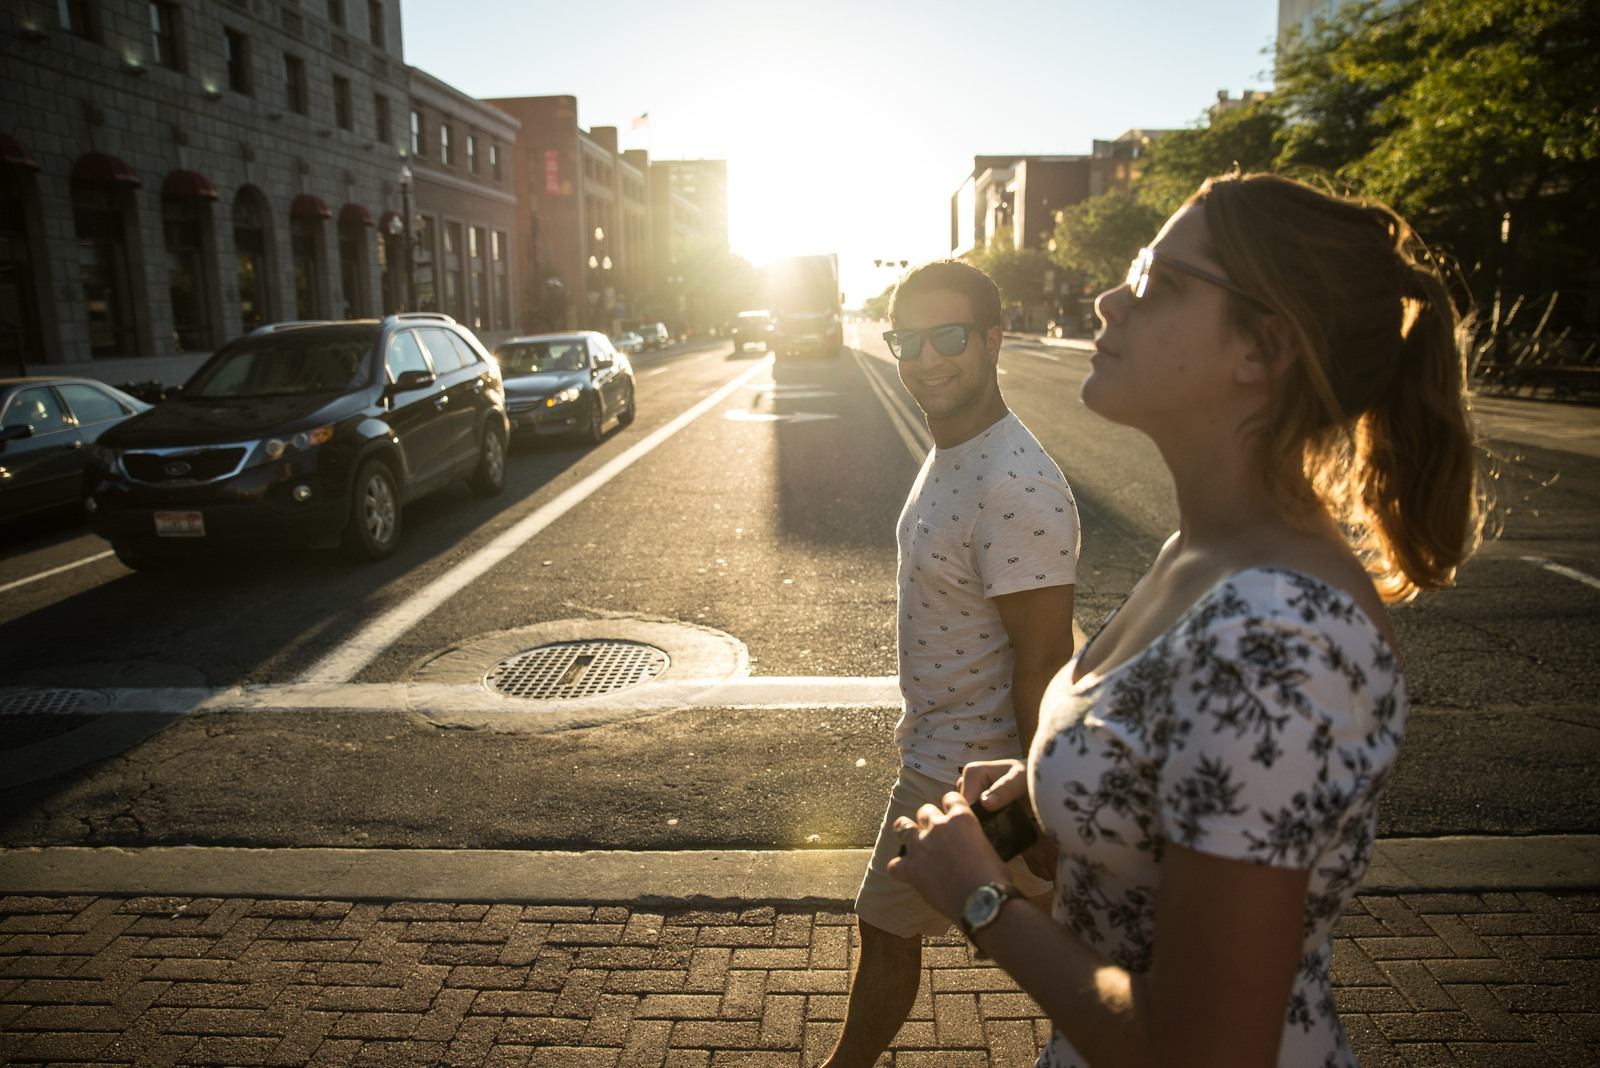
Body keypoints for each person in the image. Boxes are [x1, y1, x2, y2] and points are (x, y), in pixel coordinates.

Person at [888, 172, 1482, 1068]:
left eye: (1157, 283)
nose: (1107, 298)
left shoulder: (1278, 641)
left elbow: (1208, 1054)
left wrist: (982, 901)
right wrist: (1060, 787)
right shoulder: (1201, 552)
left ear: (1263, 348)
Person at [821, 260, 1081, 1068]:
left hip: (972, 769)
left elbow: (1044, 655)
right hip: (954, 753)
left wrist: (1039, 805)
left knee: (890, 923)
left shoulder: (1015, 483)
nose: (926, 359)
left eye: (950, 337)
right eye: (908, 340)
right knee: (1060, 944)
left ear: (994, 339)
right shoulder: (959, 450)